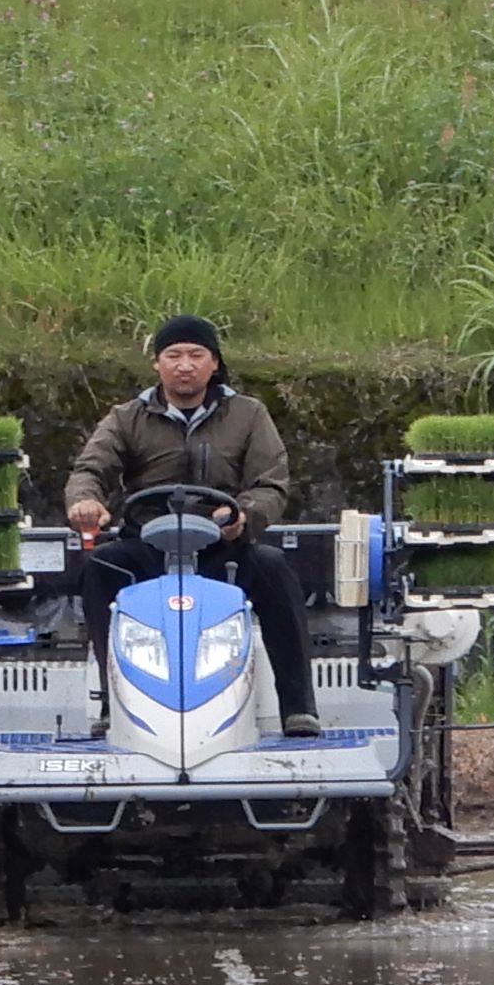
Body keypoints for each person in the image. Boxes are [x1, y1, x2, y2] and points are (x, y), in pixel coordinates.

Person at [63, 314, 323, 741]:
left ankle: (298, 707)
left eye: (195, 355)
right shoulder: (126, 418)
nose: (185, 364)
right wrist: (84, 501)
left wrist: (243, 516)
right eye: (174, 355)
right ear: (157, 364)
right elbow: (90, 469)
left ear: (214, 363)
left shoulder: (249, 414)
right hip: (147, 548)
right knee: (101, 568)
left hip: (224, 549)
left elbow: (271, 483)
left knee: (274, 569)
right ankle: (116, 705)